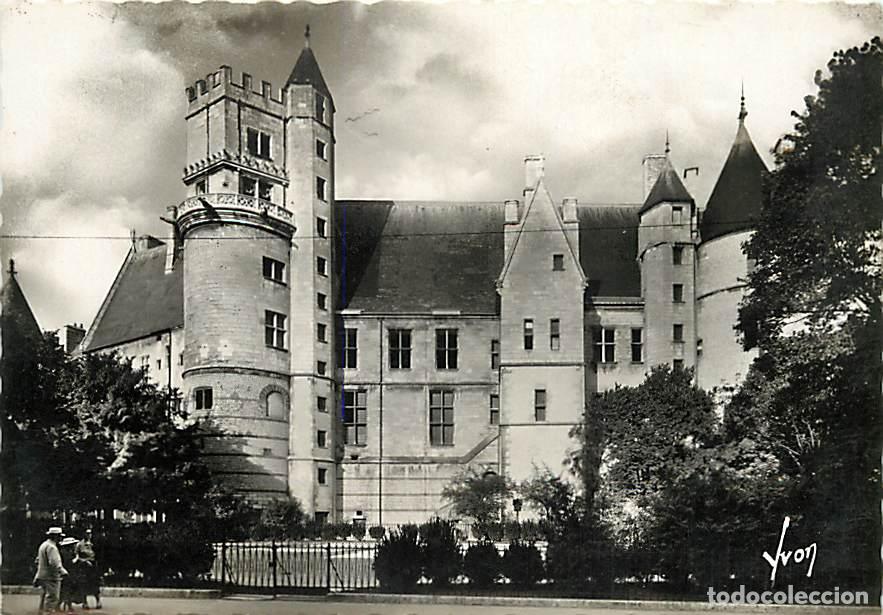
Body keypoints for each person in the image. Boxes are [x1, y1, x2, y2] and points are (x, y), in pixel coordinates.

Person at [34, 527, 68, 613]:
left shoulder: (44, 545)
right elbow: (54, 562)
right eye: (59, 536)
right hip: (51, 576)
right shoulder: (52, 547)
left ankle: (41, 612)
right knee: (53, 597)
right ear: (55, 536)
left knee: (44, 596)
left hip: (43, 575)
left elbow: (37, 560)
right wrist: (63, 571)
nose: (60, 538)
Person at [75, 529, 102, 609]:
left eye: (90, 533)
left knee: (95, 584)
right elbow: (76, 556)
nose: (88, 535)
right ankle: (85, 602)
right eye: (87, 533)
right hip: (84, 567)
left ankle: (98, 601)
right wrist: (84, 561)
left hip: (93, 566)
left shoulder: (94, 543)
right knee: (84, 584)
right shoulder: (79, 544)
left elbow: (99, 554)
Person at [58, 537, 81, 613]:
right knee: (66, 590)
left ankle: (68, 605)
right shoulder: (65, 552)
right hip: (67, 573)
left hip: (71, 573)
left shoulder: (69, 551)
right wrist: (76, 558)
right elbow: (70, 562)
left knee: (69, 590)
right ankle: (62, 605)